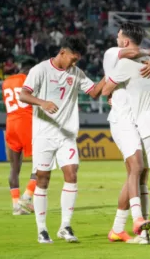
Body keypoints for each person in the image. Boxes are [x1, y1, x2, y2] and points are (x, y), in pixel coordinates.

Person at [19, 35, 105, 244]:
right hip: (44, 134)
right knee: (43, 179)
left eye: (77, 61)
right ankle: (42, 229)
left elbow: (94, 92)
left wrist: (110, 77)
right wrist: (42, 103)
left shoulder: (76, 72)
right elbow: (23, 94)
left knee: (72, 173)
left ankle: (65, 226)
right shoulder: (40, 70)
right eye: (73, 59)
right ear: (63, 52)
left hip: (66, 135)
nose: (74, 64)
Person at [102, 22, 150, 242]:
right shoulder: (149, 61)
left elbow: (104, 90)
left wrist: (112, 92)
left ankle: (143, 231)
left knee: (140, 175)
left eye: (119, 37)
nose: (117, 39)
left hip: (147, 124)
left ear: (125, 41)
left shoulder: (124, 63)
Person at [103, 44, 150, 244]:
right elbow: (105, 90)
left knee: (136, 174)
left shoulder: (142, 66)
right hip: (122, 122)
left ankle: (118, 229)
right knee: (137, 168)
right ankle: (138, 219)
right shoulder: (114, 54)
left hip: (137, 122)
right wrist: (148, 54)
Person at [2, 59, 37, 215]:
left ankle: (16, 206)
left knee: (14, 168)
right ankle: (27, 197)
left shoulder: (6, 82)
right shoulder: (30, 79)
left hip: (10, 124)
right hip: (27, 123)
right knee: (43, 163)